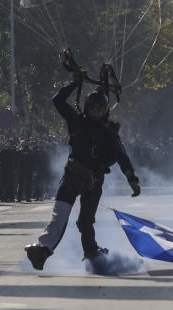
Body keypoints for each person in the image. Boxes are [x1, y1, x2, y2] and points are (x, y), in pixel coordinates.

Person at [24, 71, 140, 270]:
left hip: (93, 182)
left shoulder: (109, 133)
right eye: (92, 107)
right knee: (59, 215)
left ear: (105, 109)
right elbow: (57, 100)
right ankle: (42, 250)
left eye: (100, 108)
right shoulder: (76, 121)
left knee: (84, 221)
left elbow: (122, 156)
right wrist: (72, 83)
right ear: (87, 107)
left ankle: (91, 252)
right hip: (71, 177)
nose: (96, 111)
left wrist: (132, 178)